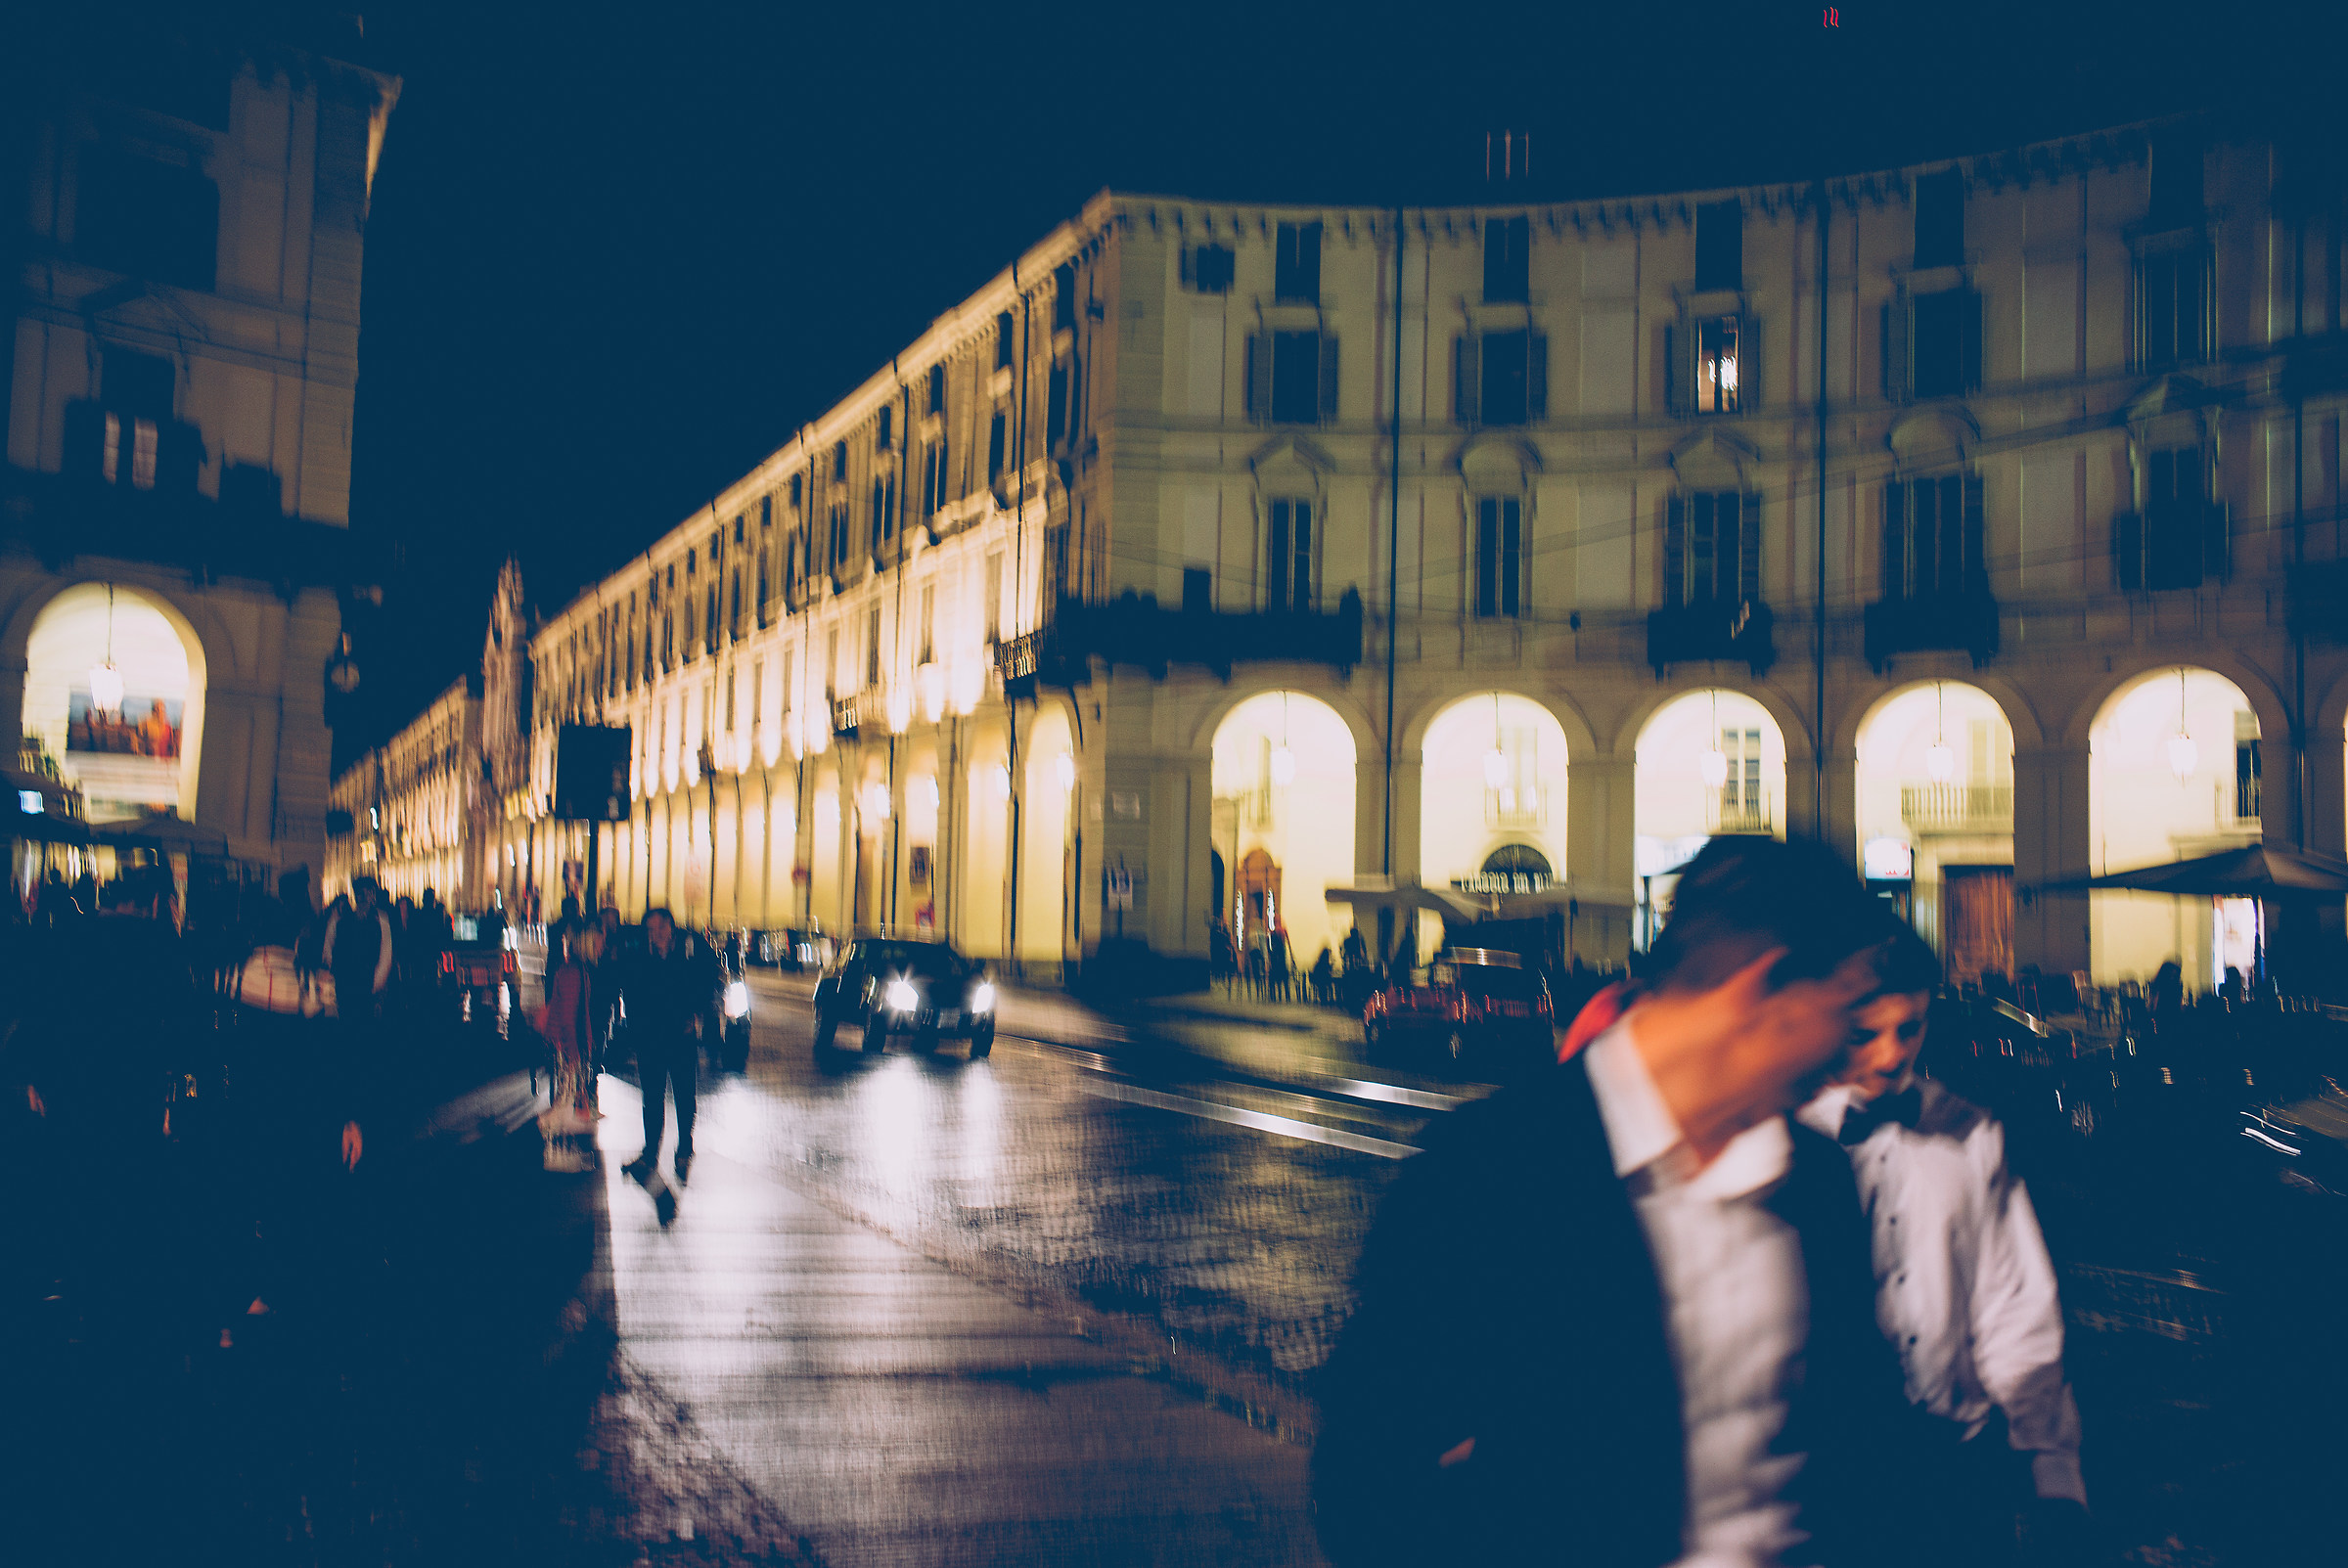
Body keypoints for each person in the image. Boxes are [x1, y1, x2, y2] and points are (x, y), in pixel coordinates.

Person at [1313, 835, 1919, 1567]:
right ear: (1764, 986)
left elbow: (1864, 1444)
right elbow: (1368, 1478)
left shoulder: (1819, 1179)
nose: (1856, 1053)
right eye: (1843, 1011)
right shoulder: (1497, 1169)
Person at [1797, 918, 2088, 1565]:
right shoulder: (1781, 1142)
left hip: (1956, 1466)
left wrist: (2052, 1465)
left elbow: (2014, 1303)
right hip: (1825, 1474)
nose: (1891, 1054)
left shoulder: (1971, 1132)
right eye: (1864, 1034)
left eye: (1911, 1027)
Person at [617, 908, 716, 1184]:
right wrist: (636, 1028)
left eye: (660, 927)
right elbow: (630, 989)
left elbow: (709, 978)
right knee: (652, 1097)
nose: (656, 933)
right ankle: (650, 1154)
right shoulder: (641, 956)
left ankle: (685, 1148)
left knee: (685, 1095)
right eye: (650, 929)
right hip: (650, 1037)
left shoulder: (688, 950)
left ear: (671, 927)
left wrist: (696, 1012)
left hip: (680, 1035)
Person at [322, 877, 396, 1024]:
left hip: (363, 981)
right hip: (350, 982)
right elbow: (329, 947)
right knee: (352, 1020)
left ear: (372, 894)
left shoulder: (380, 920)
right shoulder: (342, 919)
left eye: (366, 893)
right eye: (360, 894)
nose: (363, 897)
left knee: (361, 1021)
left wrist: (377, 982)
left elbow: (386, 953)